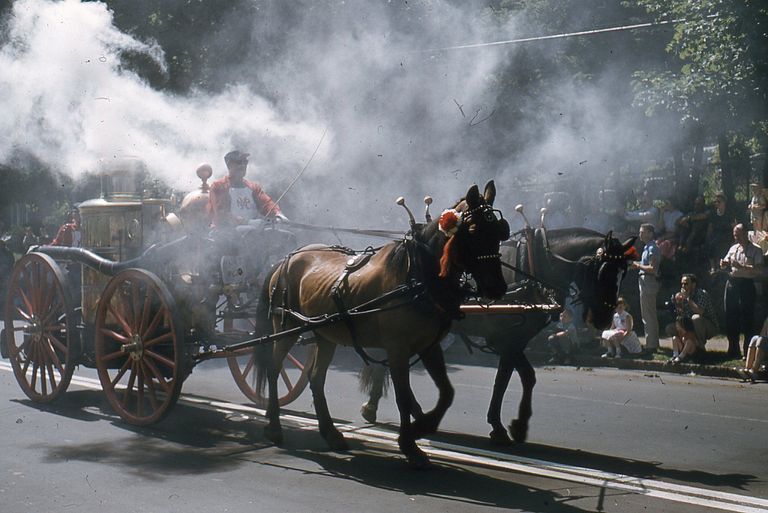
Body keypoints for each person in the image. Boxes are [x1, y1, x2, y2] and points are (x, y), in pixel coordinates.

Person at [208, 150, 286, 228]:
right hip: (225, 232)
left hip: (253, 232)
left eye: (245, 162)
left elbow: (267, 203)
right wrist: (247, 222)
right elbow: (222, 214)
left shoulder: (253, 187)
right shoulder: (219, 186)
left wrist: (278, 214)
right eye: (239, 162)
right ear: (229, 165)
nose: (243, 165)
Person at [720, 223, 764, 358]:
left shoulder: (756, 250)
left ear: (745, 234)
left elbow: (759, 269)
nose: (736, 238)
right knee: (731, 316)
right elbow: (726, 262)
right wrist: (724, 264)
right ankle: (733, 349)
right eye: (735, 235)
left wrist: (742, 266)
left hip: (746, 284)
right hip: (732, 283)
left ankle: (747, 350)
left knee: (747, 317)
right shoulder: (733, 248)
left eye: (738, 235)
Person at [664, 274, 718, 350]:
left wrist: (688, 298)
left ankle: (700, 347)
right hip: (690, 324)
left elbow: (699, 311)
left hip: (708, 326)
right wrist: (677, 304)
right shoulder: (682, 296)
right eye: (682, 284)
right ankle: (684, 347)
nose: (683, 286)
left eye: (686, 284)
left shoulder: (701, 294)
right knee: (670, 328)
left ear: (693, 285)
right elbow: (680, 316)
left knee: (696, 318)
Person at [631, 223, 660, 352]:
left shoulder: (653, 248)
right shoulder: (647, 247)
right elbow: (645, 264)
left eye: (643, 232)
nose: (640, 235)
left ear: (650, 233)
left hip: (649, 281)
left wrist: (638, 266)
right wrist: (635, 264)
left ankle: (651, 345)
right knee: (648, 314)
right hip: (645, 280)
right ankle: (652, 343)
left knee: (648, 314)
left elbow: (653, 268)